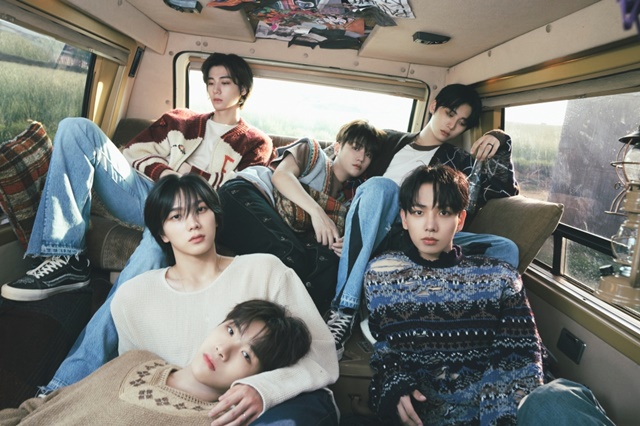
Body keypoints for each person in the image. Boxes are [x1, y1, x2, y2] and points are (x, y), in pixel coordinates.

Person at [1, 52, 276, 394]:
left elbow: (239, 196)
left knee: (147, 257)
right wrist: (169, 175)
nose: (215, 90)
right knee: (75, 128)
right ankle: (65, 258)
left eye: (225, 82)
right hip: (149, 194)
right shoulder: (180, 120)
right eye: (210, 82)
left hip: (191, 210)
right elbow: (132, 153)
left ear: (243, 89)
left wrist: (187, 193)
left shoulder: (256, 143)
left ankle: (62, 385)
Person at [110, 173, 338, 425]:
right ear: (162, 233)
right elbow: (130, 379)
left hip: (271, 410)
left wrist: (264, 388)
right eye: (176, 216)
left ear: (216, 217)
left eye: (201, 210)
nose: (193, 224)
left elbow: (322, 355)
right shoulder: (133, 297)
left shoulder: (265, 270)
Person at [325, 83, 520, 358]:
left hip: (422, 236)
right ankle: (344, 310)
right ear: (433, 106)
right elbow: (339, 162)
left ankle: (474, 323)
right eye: (449, 113)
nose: (451, 125)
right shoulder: (388, 141)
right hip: (379, 229)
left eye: (461, 122)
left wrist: (501, 140)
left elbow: (503, 193)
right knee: (382, 186)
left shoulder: (459, 161)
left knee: (505, 249)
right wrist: (351, 227)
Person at [364, 164, 543, 425]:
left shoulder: (501, 278)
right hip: (420, 417)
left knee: (562, 397)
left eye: (444, 212)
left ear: (460, 220)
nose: (430, 225)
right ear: (404, 219)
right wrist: (394, 380)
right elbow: (384, 347)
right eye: (418, 212)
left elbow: (519, 361)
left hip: (487, 414)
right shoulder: (380, 274)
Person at [0, 299, 312, 425]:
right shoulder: (137, 358)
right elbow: (43, 406)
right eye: (230, 330)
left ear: (259, 376)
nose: (224, 350)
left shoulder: (211, 422)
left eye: (246, 355)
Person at [216, 119, 384, 312]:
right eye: (356, 148)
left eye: (368, 154)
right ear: (338, 147)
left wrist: (347, 241)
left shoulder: (350, 200)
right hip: (246, 194)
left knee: (325, 266)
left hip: (282, 230)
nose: (361, 158)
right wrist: (317, 213)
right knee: (289, 255)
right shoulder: (312, 153)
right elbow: (281, 176)